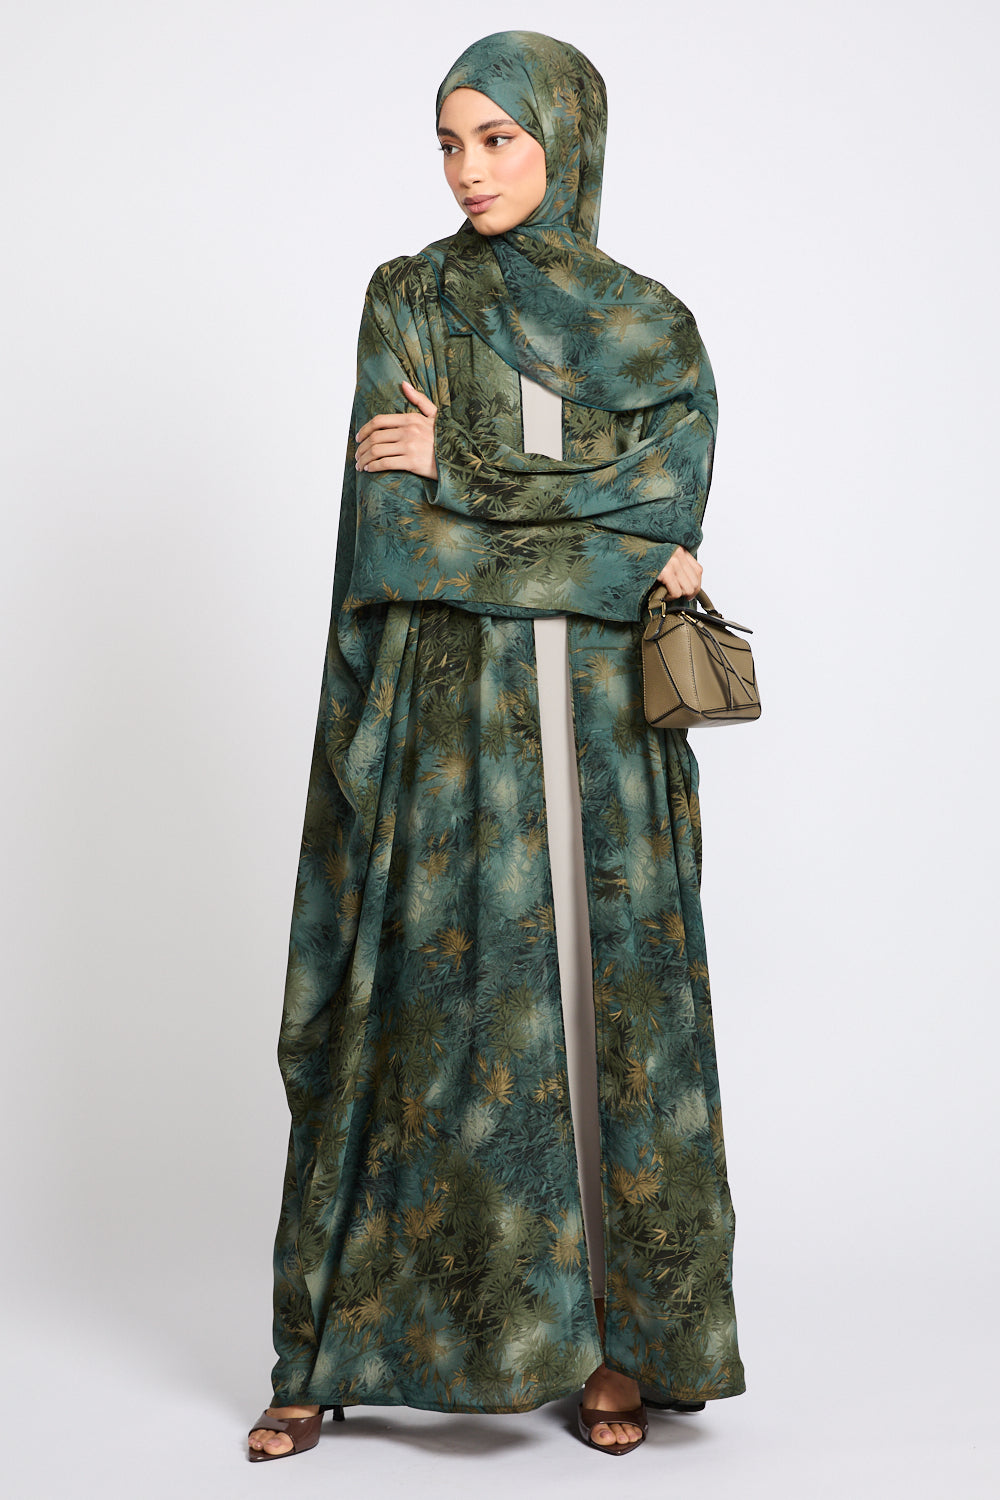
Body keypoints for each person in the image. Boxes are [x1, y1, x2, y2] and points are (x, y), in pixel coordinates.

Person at [248, 28, 745, 1463]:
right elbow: (399, 543)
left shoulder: (652, 329)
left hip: (605, 724)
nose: (468, 171)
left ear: (565, 140)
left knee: (602, 1010)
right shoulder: (408, 300)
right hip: (453, 719)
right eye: (450, 144)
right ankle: (343, 1343)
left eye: (498, 139)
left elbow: (669, 518)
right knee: (431, 1014)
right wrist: (603, 539)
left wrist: (468, 475)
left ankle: (613, 1346)